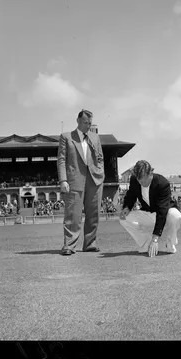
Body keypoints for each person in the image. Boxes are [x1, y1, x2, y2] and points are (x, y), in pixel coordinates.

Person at [57, 109, 105, 256]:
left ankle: (90, 243)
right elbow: (62, 159)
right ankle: (69, 245)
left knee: (93, 213)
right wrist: (63, 180)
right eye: (85, 122)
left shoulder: (95, 137)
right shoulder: (66, 137)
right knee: (73, 215)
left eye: (90, 123)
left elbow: (100, 157)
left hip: (95, 179)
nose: (87, 126)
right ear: (78, 121)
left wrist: (100, 172)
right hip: (74, 180)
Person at [119, 160, 181, 257]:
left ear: (151, 173)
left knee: (176, 216)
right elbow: (131, 195)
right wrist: (127, 207)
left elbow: (162, 212)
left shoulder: (163, 183)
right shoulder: (134, 180)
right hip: (148, 213)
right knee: (124, 219)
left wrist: (155, 239)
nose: (142, 183)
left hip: (165, 214)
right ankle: (146, 243)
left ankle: (169, 244)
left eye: (145, 180)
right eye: (139, 180)